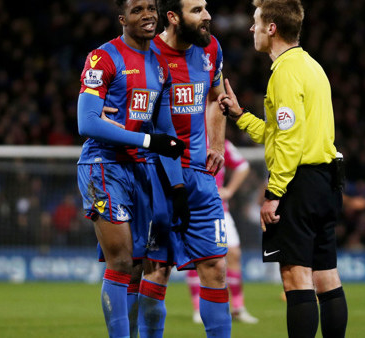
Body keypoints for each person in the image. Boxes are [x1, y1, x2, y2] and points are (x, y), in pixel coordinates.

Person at [218, 1, 348, 336]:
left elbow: (288, 142)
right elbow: (282, 133)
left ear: (271, 28)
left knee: (295, 277)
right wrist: (241, 116)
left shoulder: (285, 73)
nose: (252, 28)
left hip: (299, 185)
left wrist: (274, 193)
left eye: (256, 21)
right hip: (324, 180)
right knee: (325, 274)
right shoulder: (311, 66)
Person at [109, 1, 231, 337]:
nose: (208, 16)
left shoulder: (211, 49)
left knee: (216, 268)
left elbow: (218, 98)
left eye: (207, 8)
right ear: (174, 17)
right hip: (157, 176)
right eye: (198, 10)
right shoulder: (149, 55)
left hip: (200, 179)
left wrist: (217, 144)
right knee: (155, 272)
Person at [75, 1, 188, 336]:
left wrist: (178, 187)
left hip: (139, 171)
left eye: (151, 7)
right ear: (122, 19)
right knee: (122, 262)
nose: (148, 15)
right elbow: (87, 121)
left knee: (137, 268)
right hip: (103, 166)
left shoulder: (160, 64)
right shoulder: (103, 57)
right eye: (138, 10)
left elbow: (165, 132)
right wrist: (148, 142)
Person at [187, 139, 259, 324]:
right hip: (192, 208)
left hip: (220, 210)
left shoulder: (223, 144)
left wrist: (229, 190)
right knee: (196, 257)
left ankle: (237, 307)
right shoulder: (187, 140)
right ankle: (198, 309)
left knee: (234, 253)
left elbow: (242, 166)